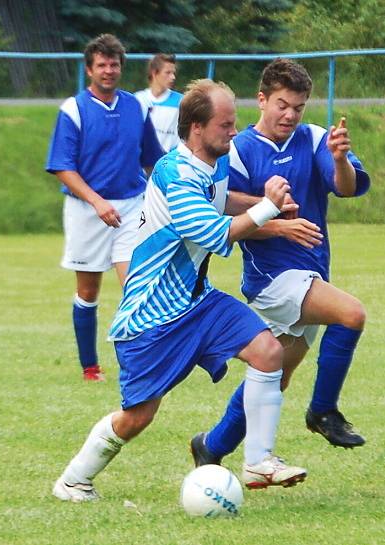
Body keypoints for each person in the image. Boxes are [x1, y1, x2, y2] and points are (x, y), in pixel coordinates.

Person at [52, 79, 308, 502]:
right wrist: (267, 208)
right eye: (225, 124)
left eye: (234, 122)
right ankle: (74, 480)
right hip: (152, 316)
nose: (233, 131)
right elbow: (210, 231)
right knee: (137, 418)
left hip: (198, 300)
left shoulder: (215, 162)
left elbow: (221, 202)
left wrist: (262, 203)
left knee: (268, 352)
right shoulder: (175, 173)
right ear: (196, 129)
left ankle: (259, 460)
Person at [190, 58, 372, 469]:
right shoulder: (236, 150)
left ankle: (212, 446)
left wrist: (341, 159)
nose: (290, 114)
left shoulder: (315, 139)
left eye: (299, 107)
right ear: (262, 100)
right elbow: (219, 212)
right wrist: (272, 216)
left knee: (274, 374)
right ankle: (323, 412)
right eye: (282, 105)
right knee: (351, 314)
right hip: (271, 278)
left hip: (311, 273)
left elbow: (345, 189)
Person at [45, 34, 164, 381]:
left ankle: (141, 361)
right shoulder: (73, 109)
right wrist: (96, 201)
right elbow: (63, 167)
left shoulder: (137, 107)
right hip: (86, 210)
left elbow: (153, 160)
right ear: (89, 69)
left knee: (136, 283)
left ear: (121, 68)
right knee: (88, 291)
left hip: (131, 207)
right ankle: (90, 366)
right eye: (102, 65)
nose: (109, 70)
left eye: (114, 64)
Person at [135, 53, 182, 152]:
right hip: (142, 164)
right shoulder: (138, 99)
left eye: (173, 73)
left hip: (168, 163)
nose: (173, 77)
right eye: (168, 73)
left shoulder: (181, 102)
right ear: (154, 73)